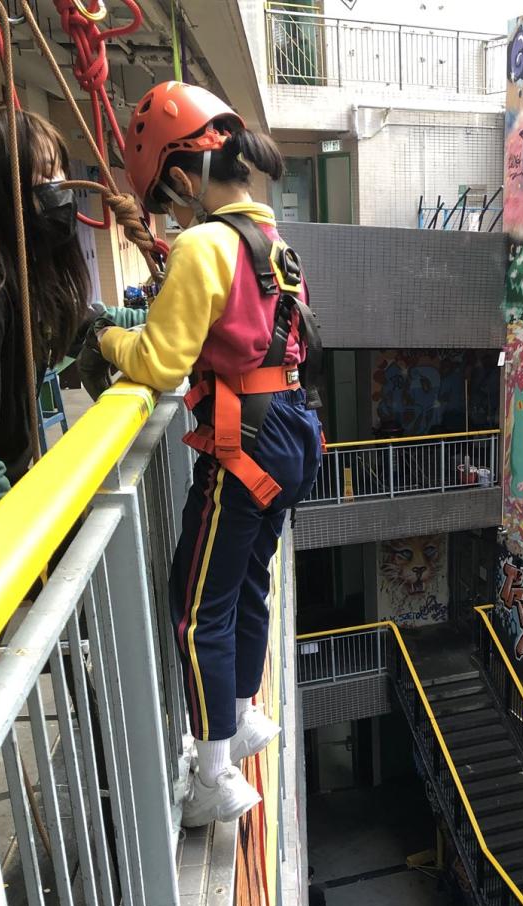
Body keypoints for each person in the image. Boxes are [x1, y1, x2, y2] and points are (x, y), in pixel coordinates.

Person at [89, 82, 323, 827]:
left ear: (186, 181)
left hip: (244, 443)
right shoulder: (272, 242)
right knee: (245, 581)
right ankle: (242, 714)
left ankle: (215, 774)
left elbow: (159, 361)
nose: (171, 212)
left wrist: (104, 336)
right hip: (290, 431)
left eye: (167, 197)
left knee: (195, 608)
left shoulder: (202, 245)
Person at [0, 101, 148, 540]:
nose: (61, 188)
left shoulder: (21, 277)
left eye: (61, 171)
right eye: (45, 176)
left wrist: (165, 320)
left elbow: (86, 322)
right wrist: (32, 546)